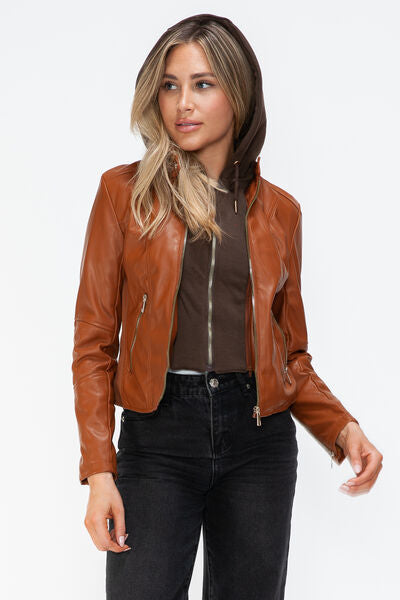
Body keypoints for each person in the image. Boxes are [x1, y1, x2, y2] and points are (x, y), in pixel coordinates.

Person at [72, 13, 383, 599]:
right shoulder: (124, 194)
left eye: (203, 84)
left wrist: (342, 427)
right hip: (158, 436)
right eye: (170, 85)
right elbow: (93, 343)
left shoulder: (280, 213)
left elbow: (290, 355)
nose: (182, 103)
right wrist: (99, 470)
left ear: (238, 94)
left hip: (258, 442)